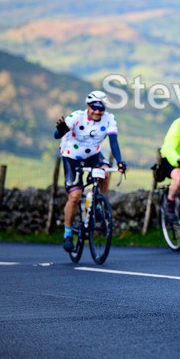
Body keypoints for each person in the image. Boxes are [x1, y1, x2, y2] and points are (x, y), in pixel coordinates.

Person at [54, 91, 126, 252]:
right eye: (94, 107)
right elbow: (56, 135)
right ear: (88, 106)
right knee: (75, 196)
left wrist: (120, 161)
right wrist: (60, 130)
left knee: (105, 172)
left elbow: (114, 142)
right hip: (71, 156)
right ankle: (67, 234)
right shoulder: (76, 116)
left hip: (93, 155)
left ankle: (97, 203)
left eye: (101, 108)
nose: (97, 111)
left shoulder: (109, 119)